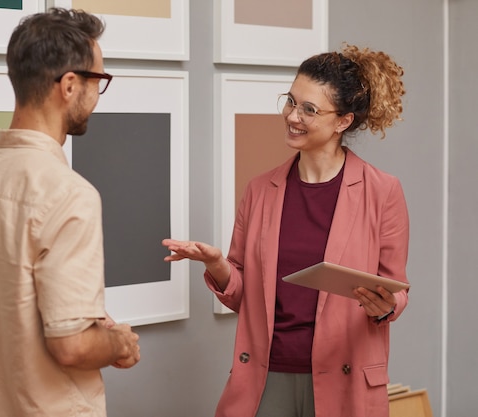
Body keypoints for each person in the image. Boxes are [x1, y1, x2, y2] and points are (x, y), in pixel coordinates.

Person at [163, 44, 409, 417]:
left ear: (342, 121)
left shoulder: (382, 191)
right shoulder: (260, 190)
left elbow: (395, 288)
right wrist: (216, 264)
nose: (292, 116)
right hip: (266, 375)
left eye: (309, 109)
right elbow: (240, 295)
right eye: (291, 101)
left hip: (344, 376)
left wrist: (385, 305)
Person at [0, 8, 140, 417]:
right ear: (70, 85)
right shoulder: (69, 194)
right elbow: (72, 345)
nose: (98, 95)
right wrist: (118, 343)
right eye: (99, 81)